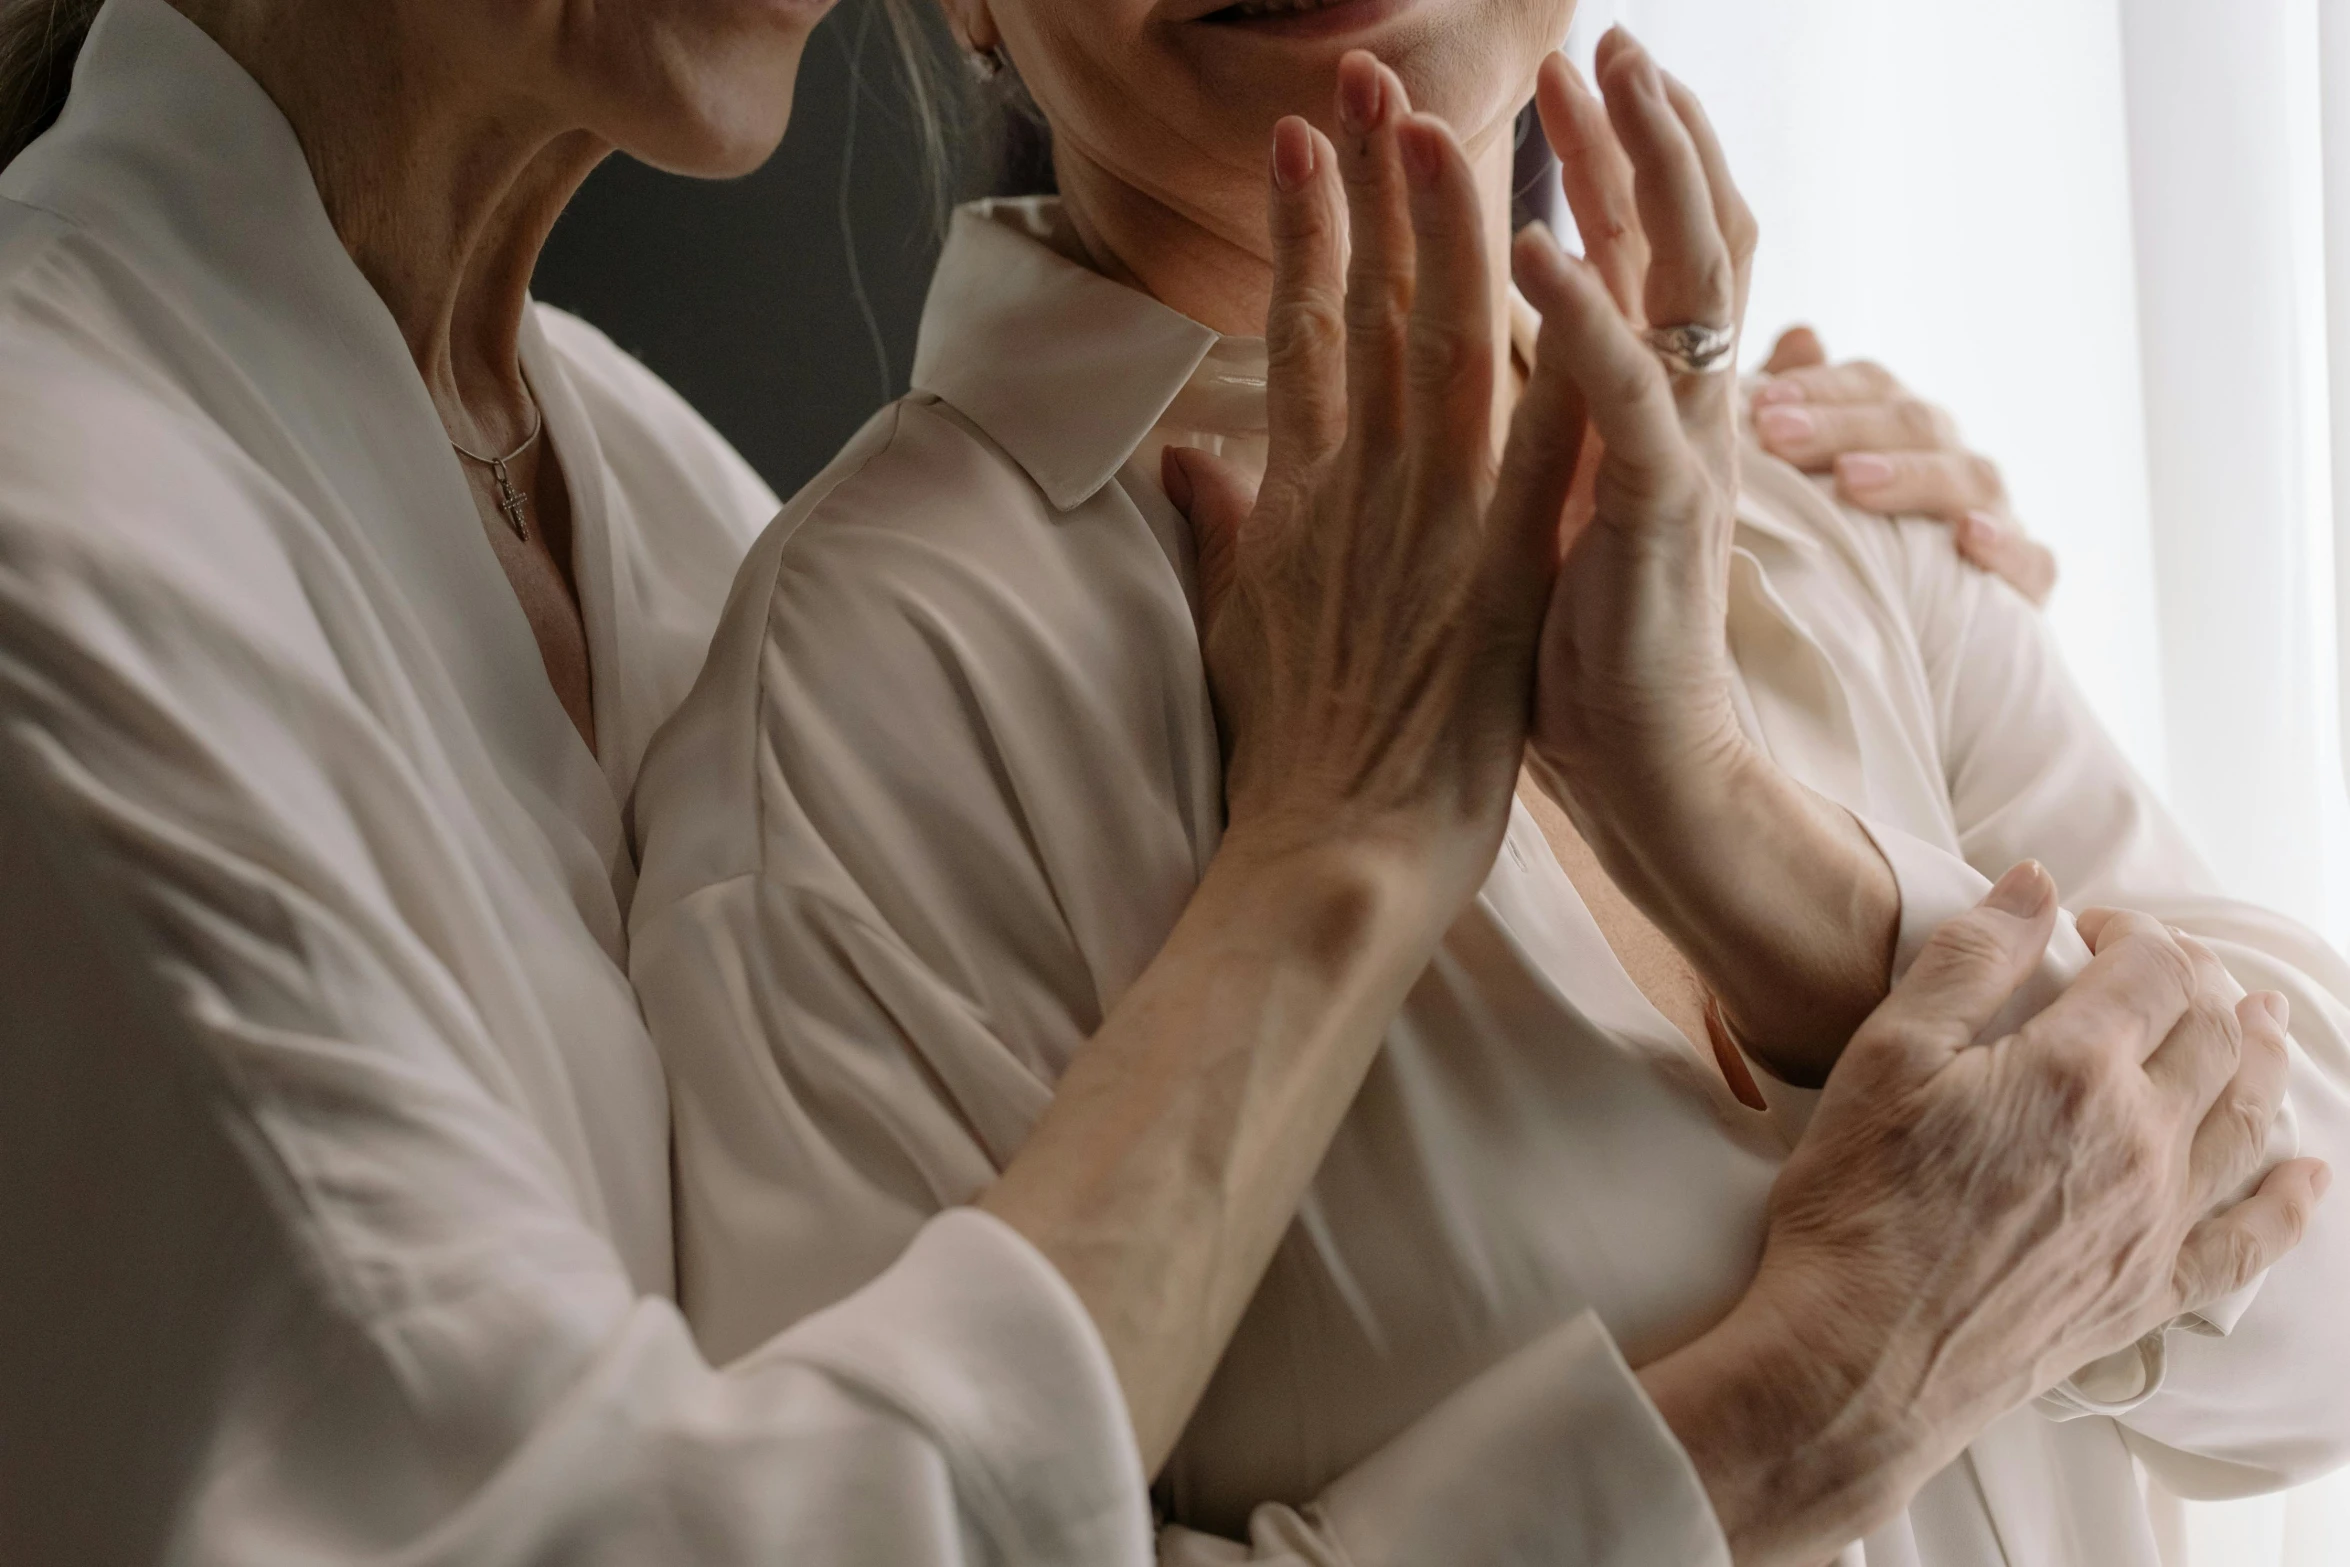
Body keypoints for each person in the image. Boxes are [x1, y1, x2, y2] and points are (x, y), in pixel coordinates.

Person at [0, 4, 2313, 1567]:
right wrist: (1798, 1397)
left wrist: (1763, 861)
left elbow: (2300, 1310)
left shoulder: (626, 486)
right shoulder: (863, 646)